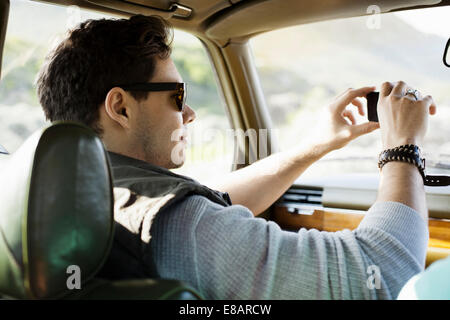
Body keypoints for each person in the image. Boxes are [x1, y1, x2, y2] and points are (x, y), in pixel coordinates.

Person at [36, 15, 436, 299]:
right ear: (120, 107)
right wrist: (402, 146)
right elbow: (384, 277)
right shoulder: (179, 224)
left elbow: (210, 201)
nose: (189, 114)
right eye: (177, 97)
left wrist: (316, 145)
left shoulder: (71, 190)